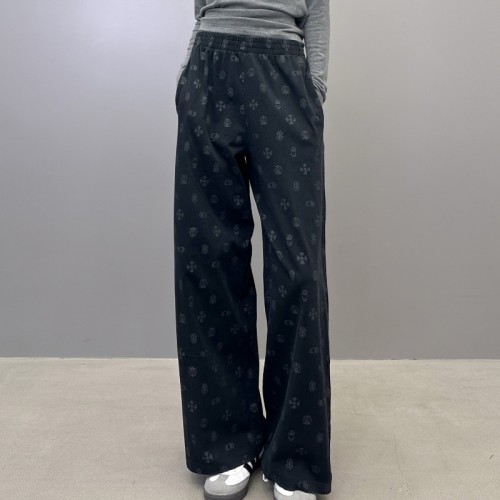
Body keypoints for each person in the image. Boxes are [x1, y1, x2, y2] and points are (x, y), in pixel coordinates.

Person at [173, 1, 331, 499]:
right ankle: (228, 442)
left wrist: (314, 86)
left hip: (283, 70)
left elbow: (318, 6)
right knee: (209, 261)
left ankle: (294, 455)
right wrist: (188, 73)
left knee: (300, 272)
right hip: (209, 67)